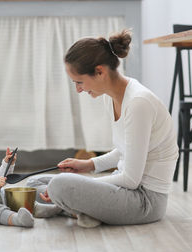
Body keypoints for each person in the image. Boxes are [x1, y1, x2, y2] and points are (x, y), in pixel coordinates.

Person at [27, 30, 179, 227]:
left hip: (144, 201)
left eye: (79, 82)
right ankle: (80, 209)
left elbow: (132, 180)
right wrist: (89, 165)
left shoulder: (138, 103)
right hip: (124, 188)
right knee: (34, 184)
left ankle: (75, 208)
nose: (78, 89)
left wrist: (85, 184)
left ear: (100, 71)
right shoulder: (113, 97)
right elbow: (125, 150)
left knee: (58, 185)